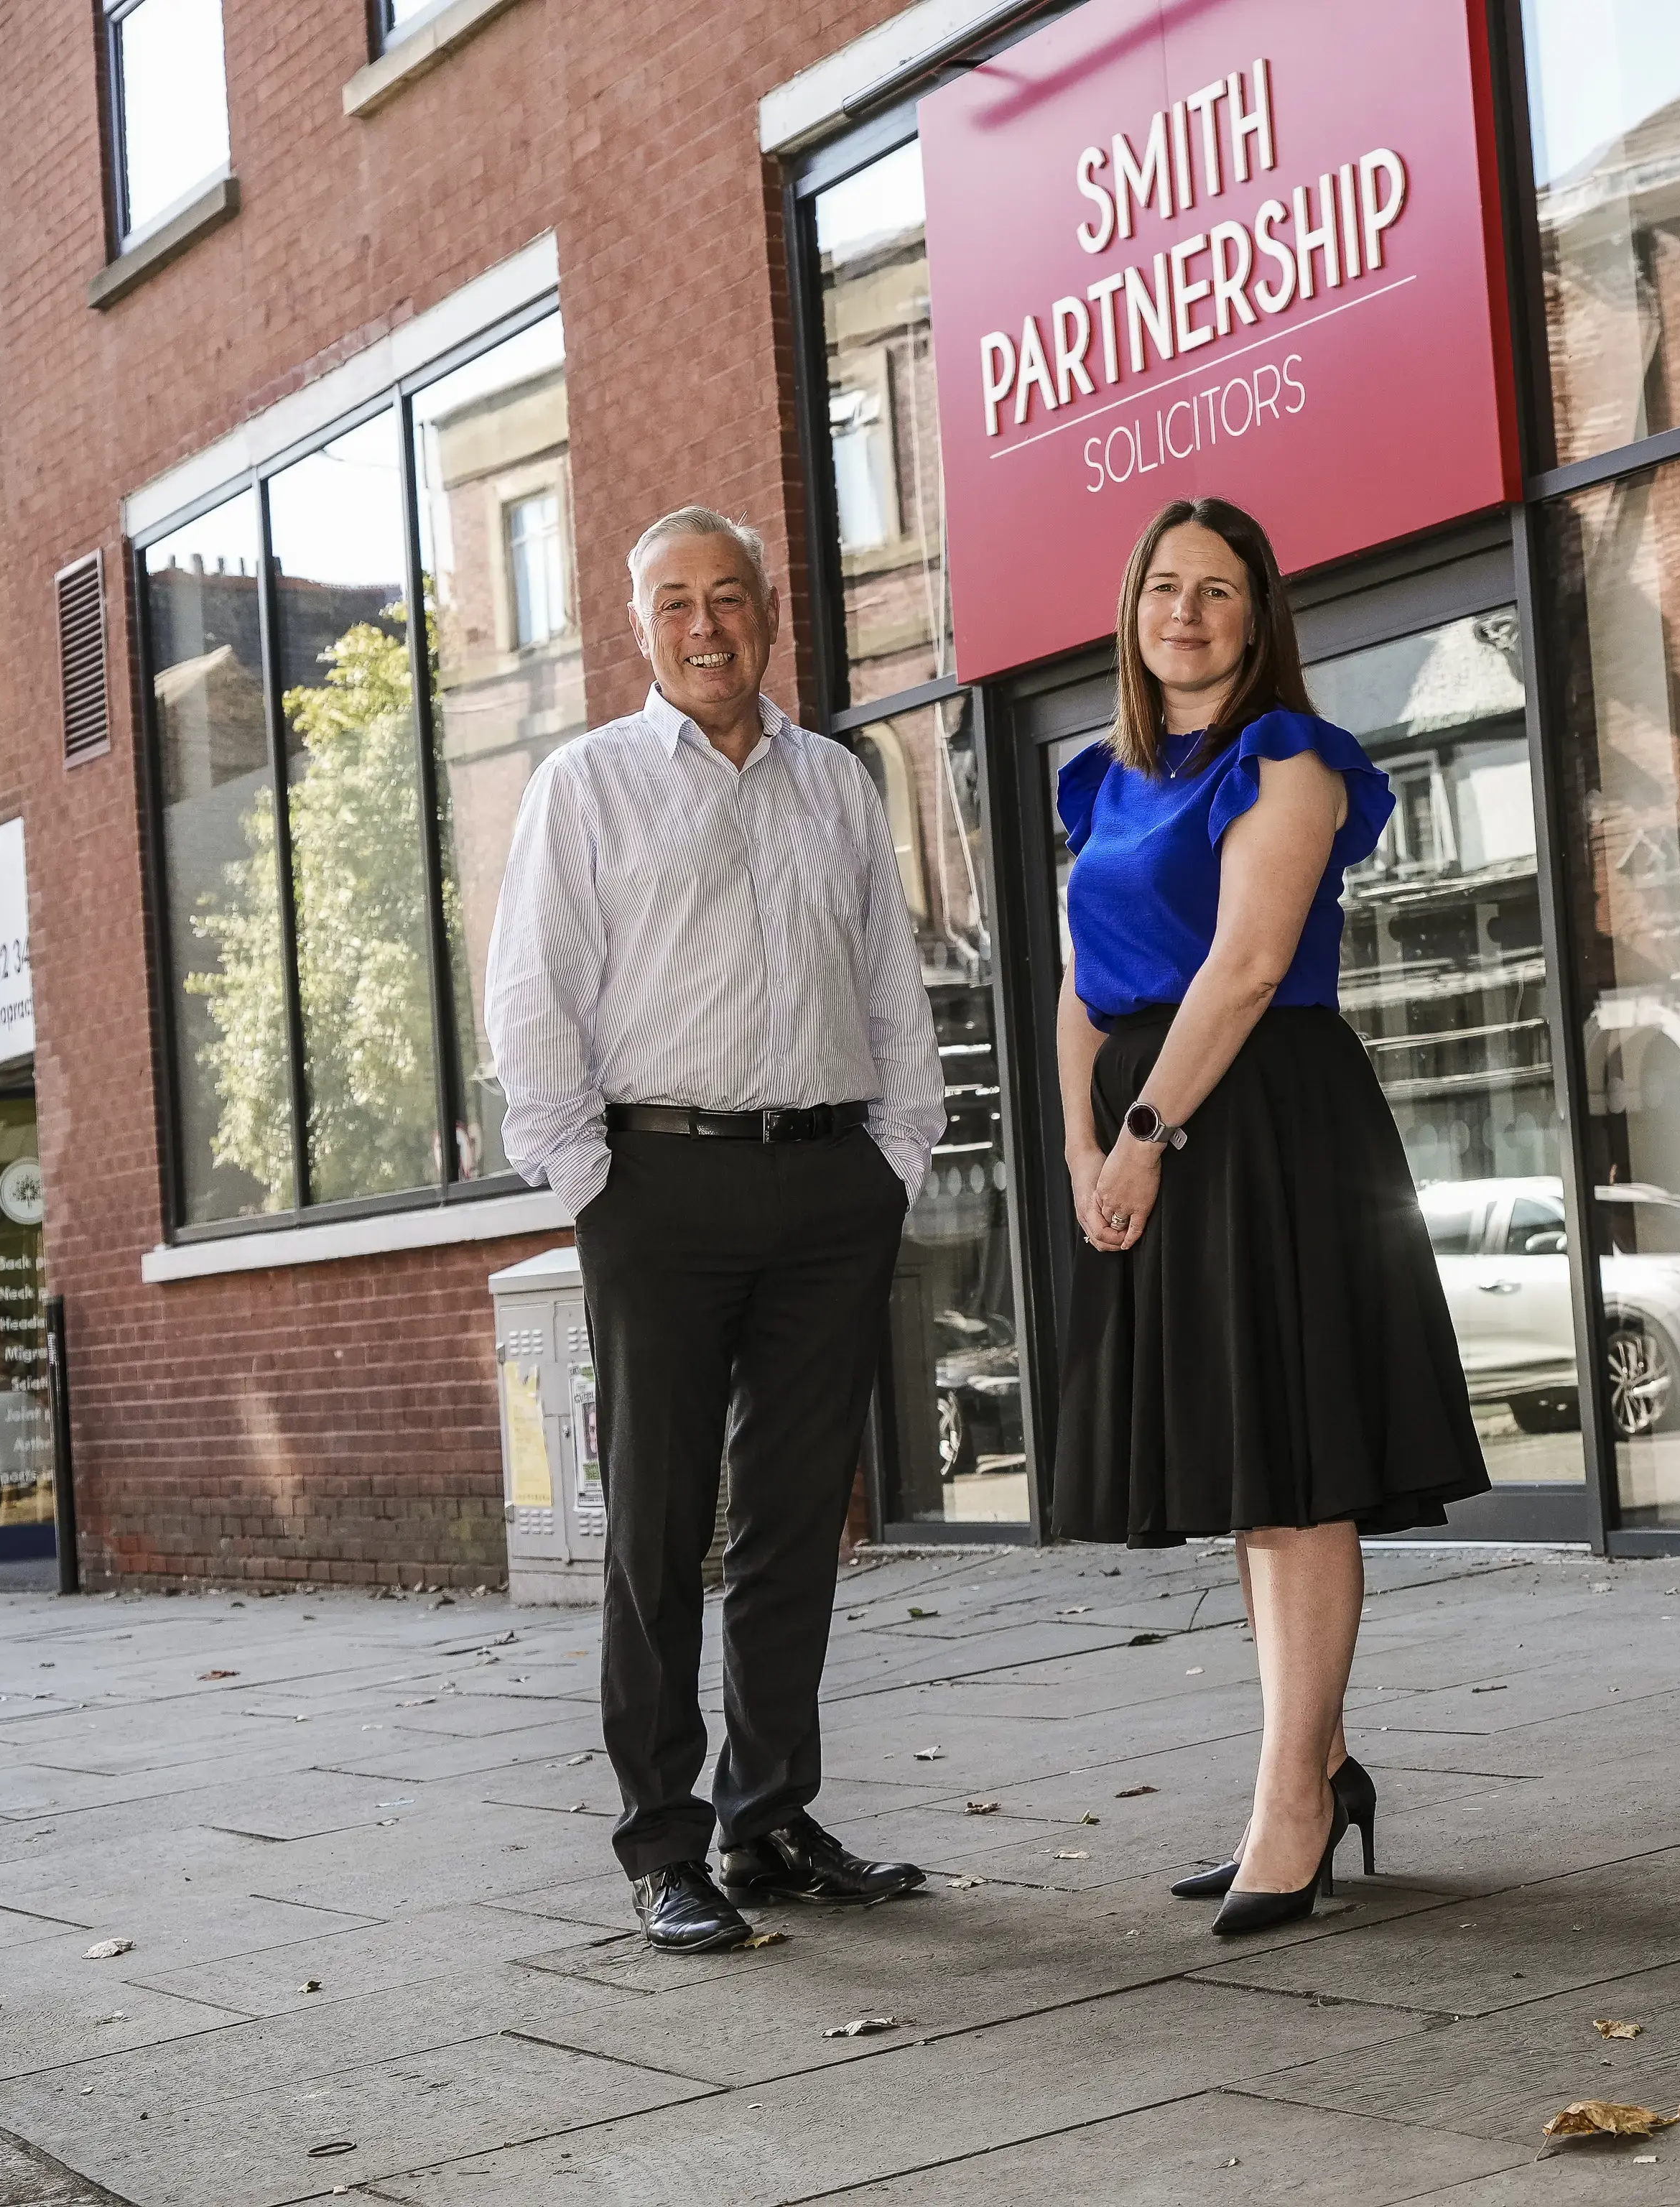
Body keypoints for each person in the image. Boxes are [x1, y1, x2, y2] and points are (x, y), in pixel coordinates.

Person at [484, 505, 947, 1953]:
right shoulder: (587, 785)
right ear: (640, 628)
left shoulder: (837, 785)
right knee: (659, 1525)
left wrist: (899, 1160)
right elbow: (533, 997)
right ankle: (660, 1842)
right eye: (675, 600)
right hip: (658, 1189)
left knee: (798, 1524)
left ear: (769, 617)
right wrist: (586, 1182)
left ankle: (768, 1818)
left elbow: (891, 982)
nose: (705, 625)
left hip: (827, 1188)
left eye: (730, 597)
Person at [1052, 496, 1490, 1936]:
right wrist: (1081, 1150)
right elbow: (1080, 990)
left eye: (1219, 592)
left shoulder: (1286, 759)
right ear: (1130, 611)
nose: (1186, 612)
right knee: (1249, 1477)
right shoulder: (1103, 780)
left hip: (1256, 1122)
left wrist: (1144, 1135)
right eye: (1164, 587)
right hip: (1152, 1128)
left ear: (1259, 617)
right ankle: (1321, 1759)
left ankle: (1292, 1806)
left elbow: (1241, 967)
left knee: (1296, 1480)